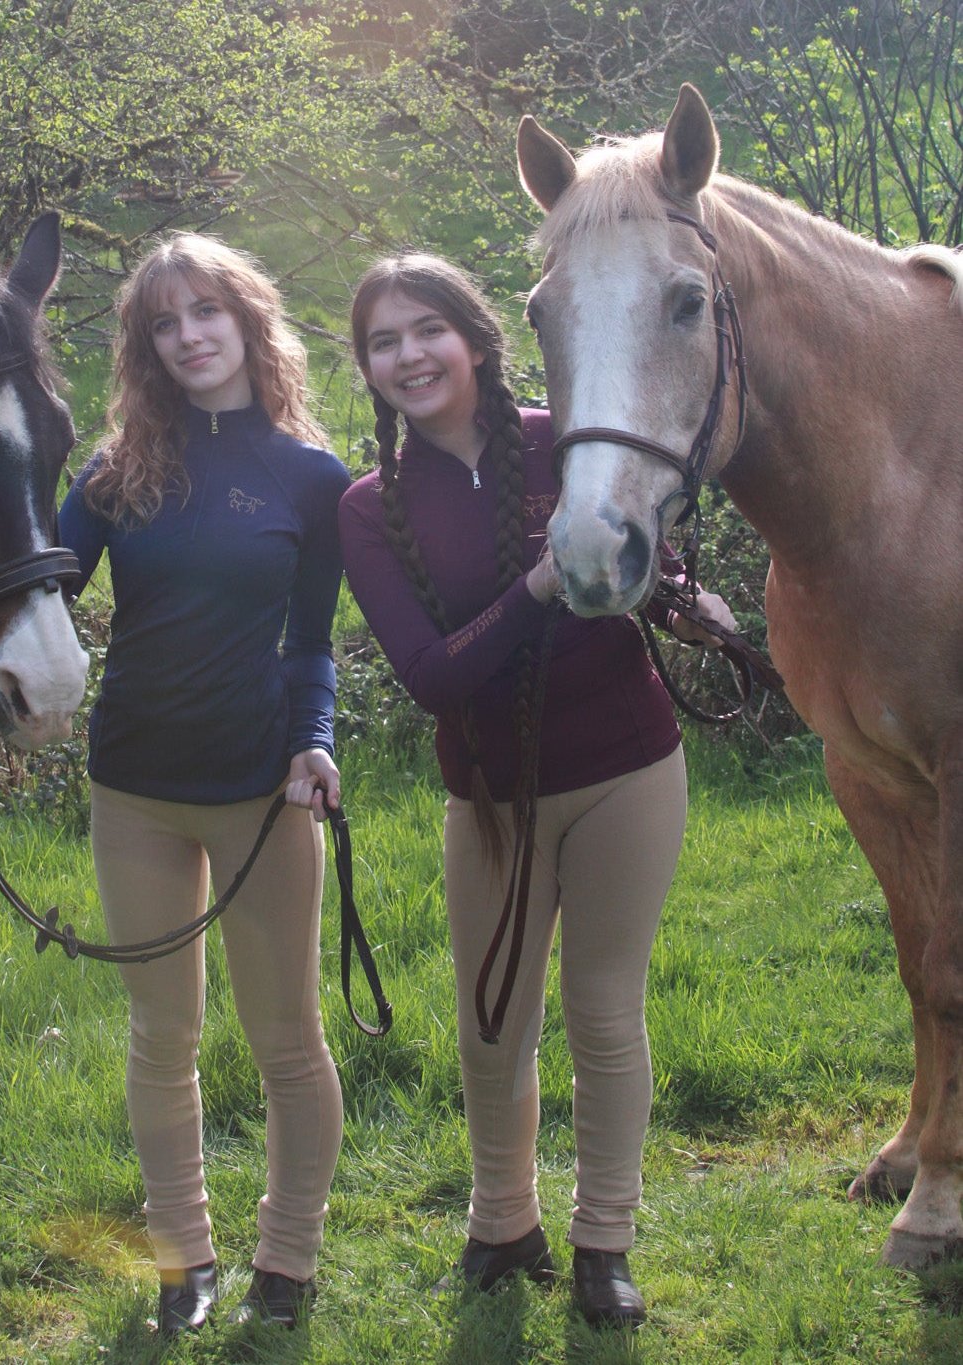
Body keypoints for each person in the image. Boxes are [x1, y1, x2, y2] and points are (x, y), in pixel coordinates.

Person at [0, 233, 349, 1336]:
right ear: (145, 345)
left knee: (287, 1041)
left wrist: (315, 740)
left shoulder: (313, 478)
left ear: (248, 321)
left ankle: (286, 1262)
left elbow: (312, 645)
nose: (189, 336)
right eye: (164, 321)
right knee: (163, 1040)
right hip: (133, 790)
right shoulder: (114, 474)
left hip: (261, 797)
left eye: (207, 313)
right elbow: (26, 585)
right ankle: (183, 1261)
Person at [338, 251, 734, 1329]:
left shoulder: (567, 436)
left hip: (625, 767)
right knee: (490, 1022)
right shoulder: (371, 508)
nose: (409, 355)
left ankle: (605, 1241)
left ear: (474, 336)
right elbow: (431, 676)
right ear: (368, 368)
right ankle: (502, 1220)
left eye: (426, 330)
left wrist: (678, 599)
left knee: (605, 1012)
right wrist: (538, 589)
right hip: (491, 799)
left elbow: (633, 553)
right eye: (384, 341)